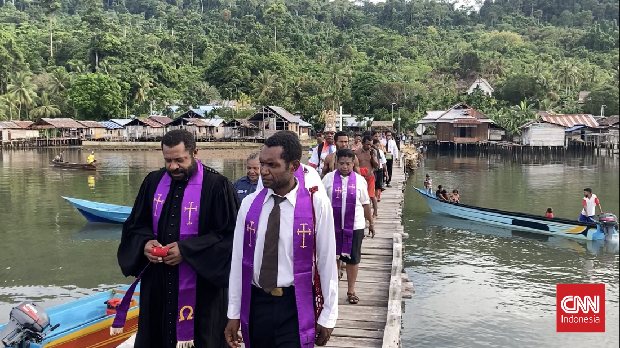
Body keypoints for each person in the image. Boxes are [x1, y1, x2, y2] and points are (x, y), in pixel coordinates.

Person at [114, 129, 239, 348]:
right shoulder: (152, 182)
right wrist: (144, 243)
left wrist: (187, 250)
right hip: (158, 284)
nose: (173, 167)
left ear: (195, 153)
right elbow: (135, 225)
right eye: (168, 160)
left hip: (202, 288)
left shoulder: (217, 186)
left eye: (180, 160)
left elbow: (231, 236)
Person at [225, 131, 338, 348]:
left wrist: (328, 315)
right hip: (257, 303)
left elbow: (326, 262)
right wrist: (233, 312)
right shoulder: (249, 206)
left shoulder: (315, 206)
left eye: (272, 165)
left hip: (295, 305)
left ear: (293, 166)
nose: (263, 171)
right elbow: (239, 262)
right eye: (262, 163)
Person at [322, 149, 373, 305]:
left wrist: (370, 222)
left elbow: (365, 203)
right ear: (336, 162)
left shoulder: (359, 180)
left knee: (352, 259)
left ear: (353, 163)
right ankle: (332, 290)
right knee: (333, 257)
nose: (344, 167)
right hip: (332, 224)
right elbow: (321, 203)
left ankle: (351, 290)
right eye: (341, 163)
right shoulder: (327, 180)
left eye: (348, 164)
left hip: (355, 225)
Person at [355, 135, 380, 220]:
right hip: (360, 177)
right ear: (362, 143)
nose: (369, 146)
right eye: (367, 144)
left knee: (371, 195)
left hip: (370, 176)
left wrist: (373, 156)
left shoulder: (373, 152)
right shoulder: (356, 153)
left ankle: (375, 213)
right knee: (362, 196)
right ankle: (364, 215)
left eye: (370, 144)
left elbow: (376, 166)